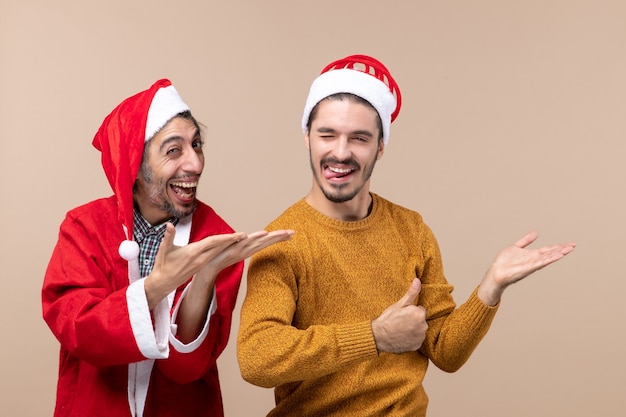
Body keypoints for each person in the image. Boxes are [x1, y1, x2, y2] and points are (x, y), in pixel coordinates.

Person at [236, 55, 576, 416]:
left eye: (360, 138)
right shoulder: (283, 240)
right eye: (327, 134)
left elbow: (445, 351)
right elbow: (256, 357)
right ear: (307, 138)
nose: (340, 151)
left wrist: (491, 287)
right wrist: (374, 337)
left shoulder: (411, 229)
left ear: (380, 147)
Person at [42, 79, 293, 417]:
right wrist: (157, 286)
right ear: (136, 162)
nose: (195, 164)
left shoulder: (216, 239)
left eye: (197, 145)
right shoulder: (85, 227)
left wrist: (204, 275)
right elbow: (78, 330)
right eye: (174, 150)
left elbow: (188, 369)